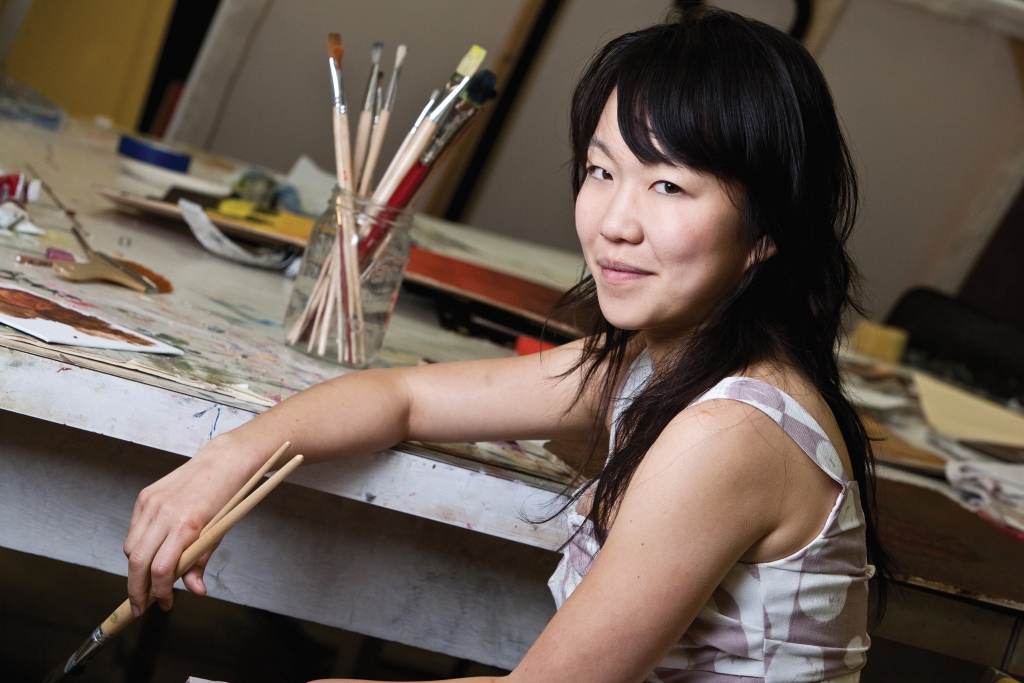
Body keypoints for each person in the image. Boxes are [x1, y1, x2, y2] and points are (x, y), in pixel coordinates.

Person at [123, 7, 889, 682]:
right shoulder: (658, 363)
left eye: (668, 186)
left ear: (766, 233)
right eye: (601, 170)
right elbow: (406, 396)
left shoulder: (731, 431)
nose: (614, 221)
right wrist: (224, 459)